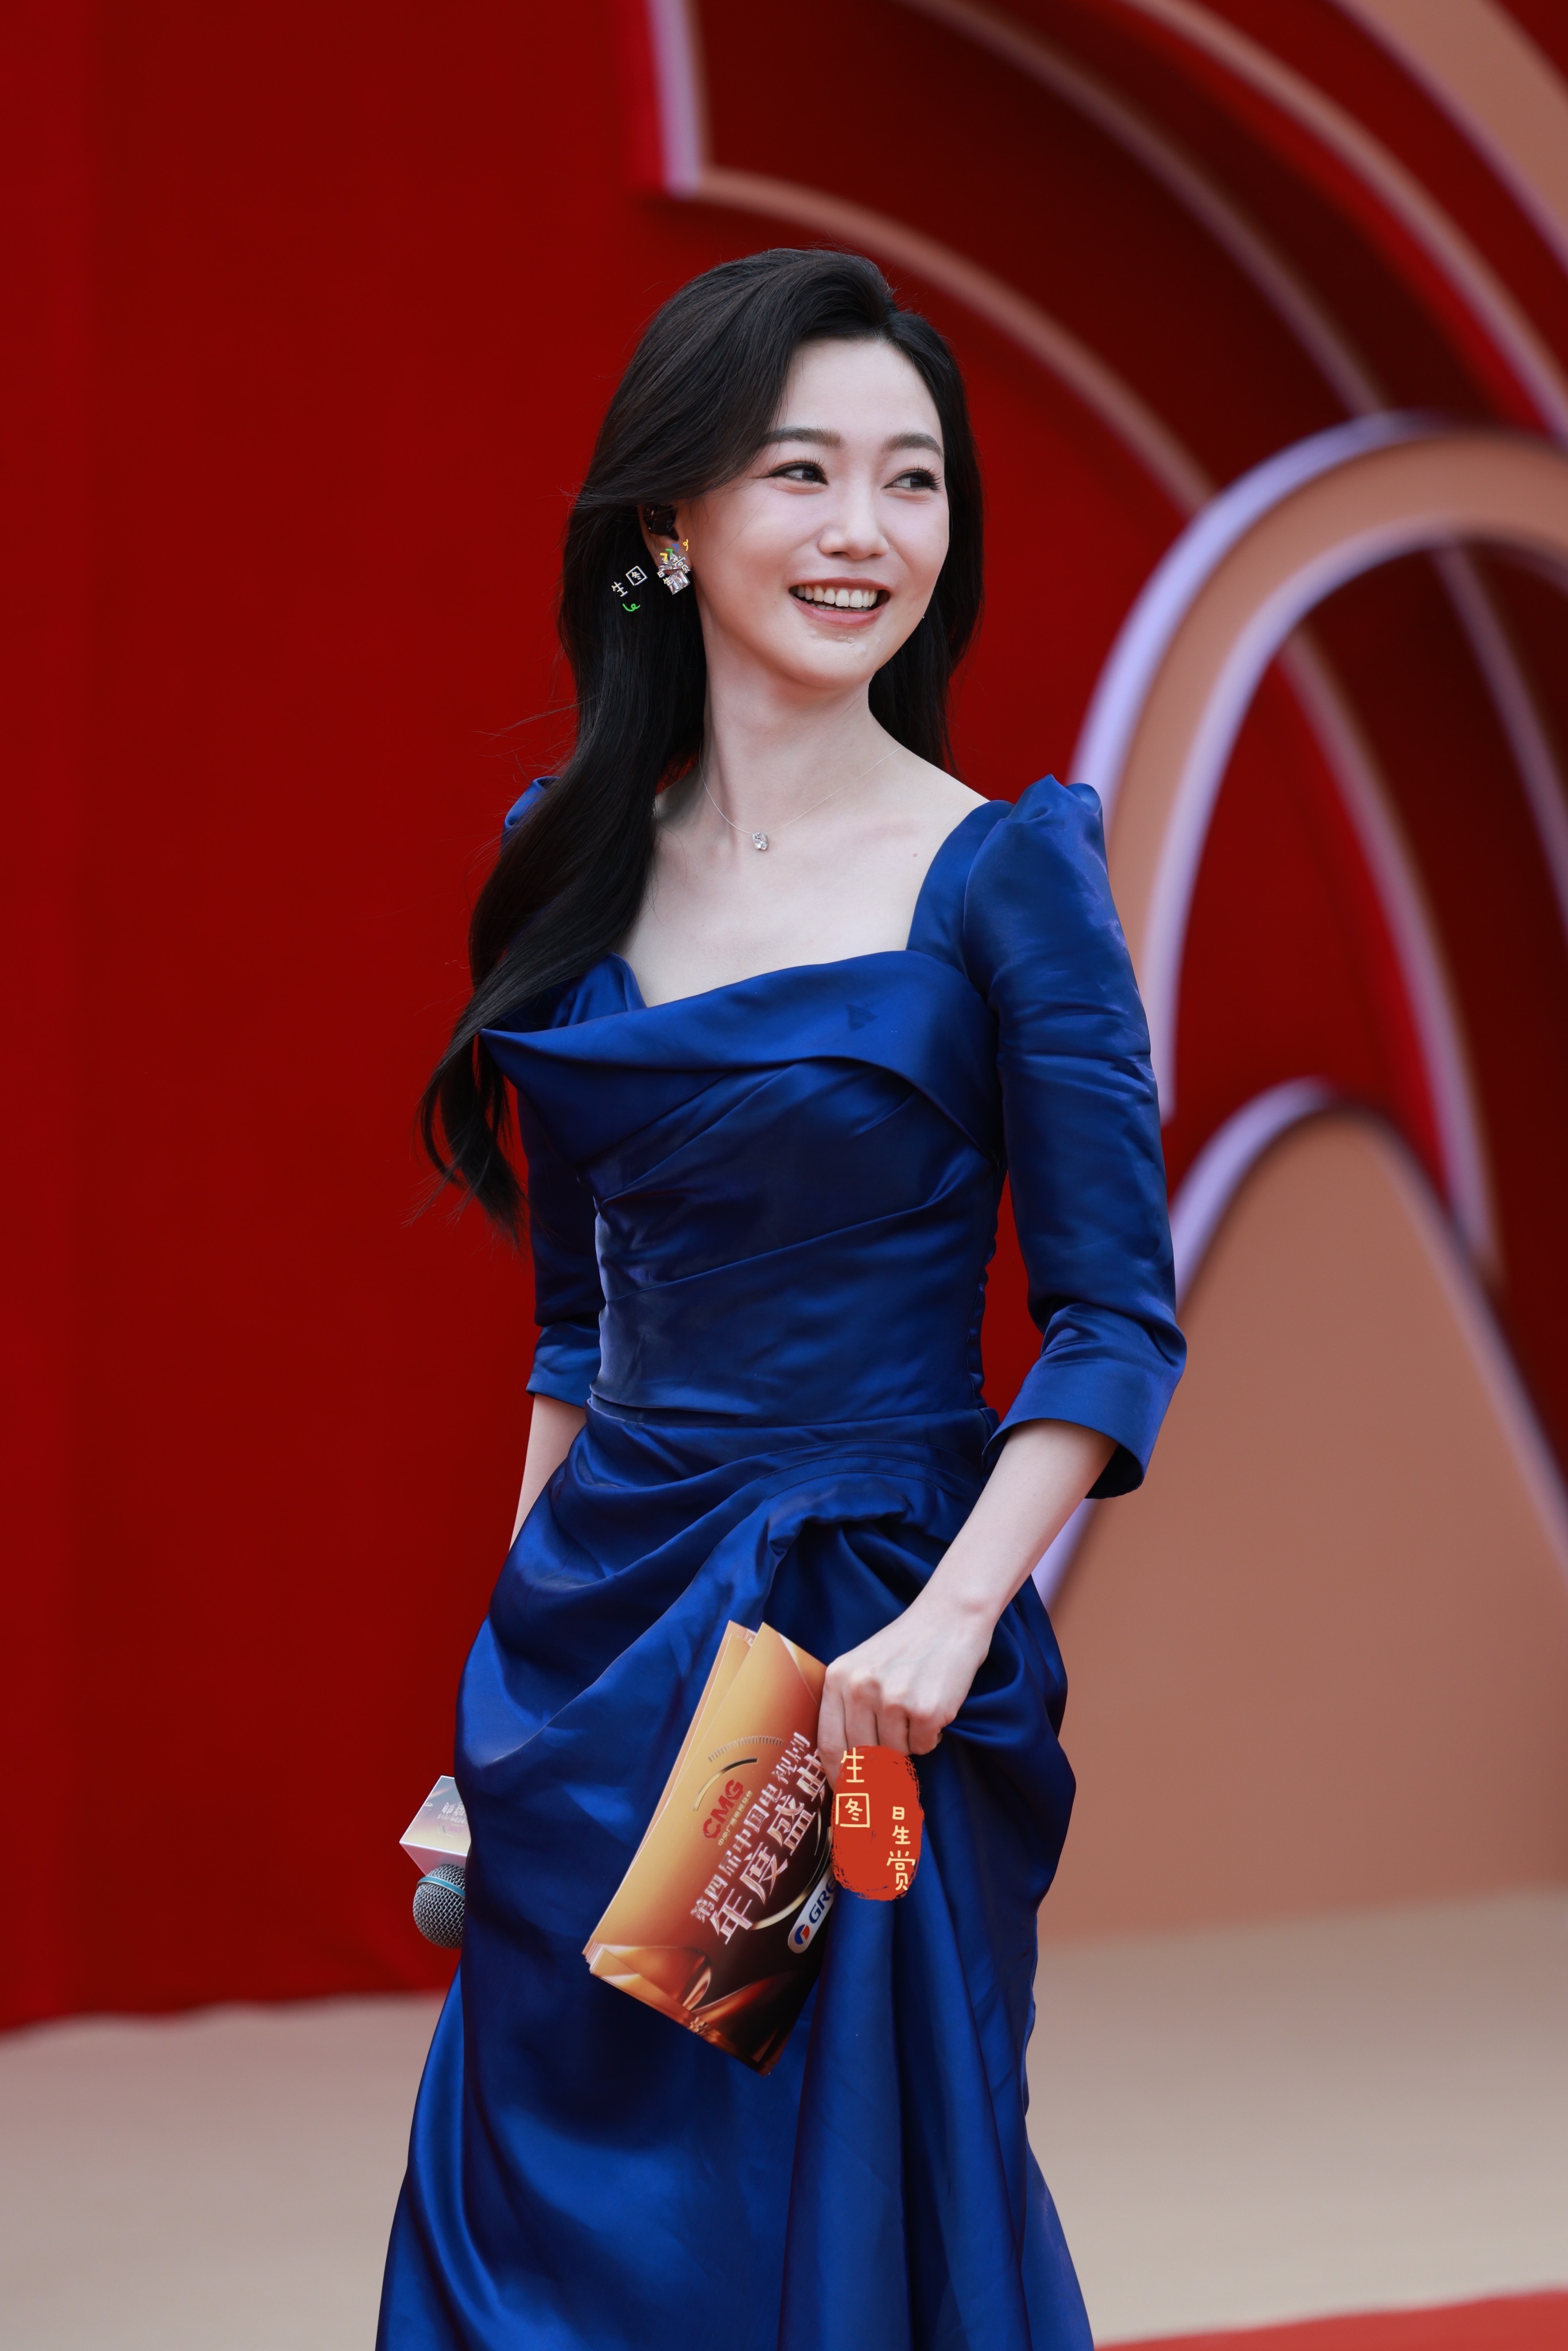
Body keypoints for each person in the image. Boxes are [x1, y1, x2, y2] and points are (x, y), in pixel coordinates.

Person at [379, 247, 1183, 2351]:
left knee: (770, 2222)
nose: (866, 530)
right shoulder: (567, 857)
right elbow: (577, 1331)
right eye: (801, 470)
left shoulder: (1004, 873)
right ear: (667, 519)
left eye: (913, 481)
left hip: (837, 1666)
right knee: (545, 2212)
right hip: (600, 1645)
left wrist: (948, 1622)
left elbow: (1110, 1319)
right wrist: (496, 1707)